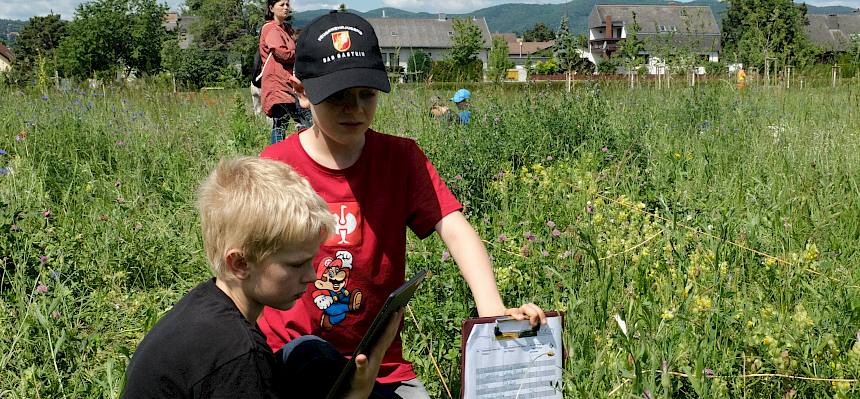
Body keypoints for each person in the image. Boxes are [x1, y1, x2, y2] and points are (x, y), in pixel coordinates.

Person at [258, 12, 546, 399]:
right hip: (295, 355)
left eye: (367, 94)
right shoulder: (276, 166)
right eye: (338, 96)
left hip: (381, 363)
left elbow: (455, 228)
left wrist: (491, 309)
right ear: (302, 91)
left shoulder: (399, 158)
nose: (355, 109)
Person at [122, 157, 402, 399]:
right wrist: (356, 394)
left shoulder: (206, 305)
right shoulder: (239, 356)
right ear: (240, 263)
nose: (312, 276)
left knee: (308, 352)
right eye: (296, 265)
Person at [259, 0, 312, 145]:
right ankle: (274, 159)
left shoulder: (285, 28)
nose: (286, 8)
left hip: (287, 83)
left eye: (287, 4)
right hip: (277, 84)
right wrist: (300, 54)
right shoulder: (270, 28)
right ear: (271, 8)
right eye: (281, 4)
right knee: (283, 124)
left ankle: (282, 157)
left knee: (294, 121)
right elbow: (281, 53)